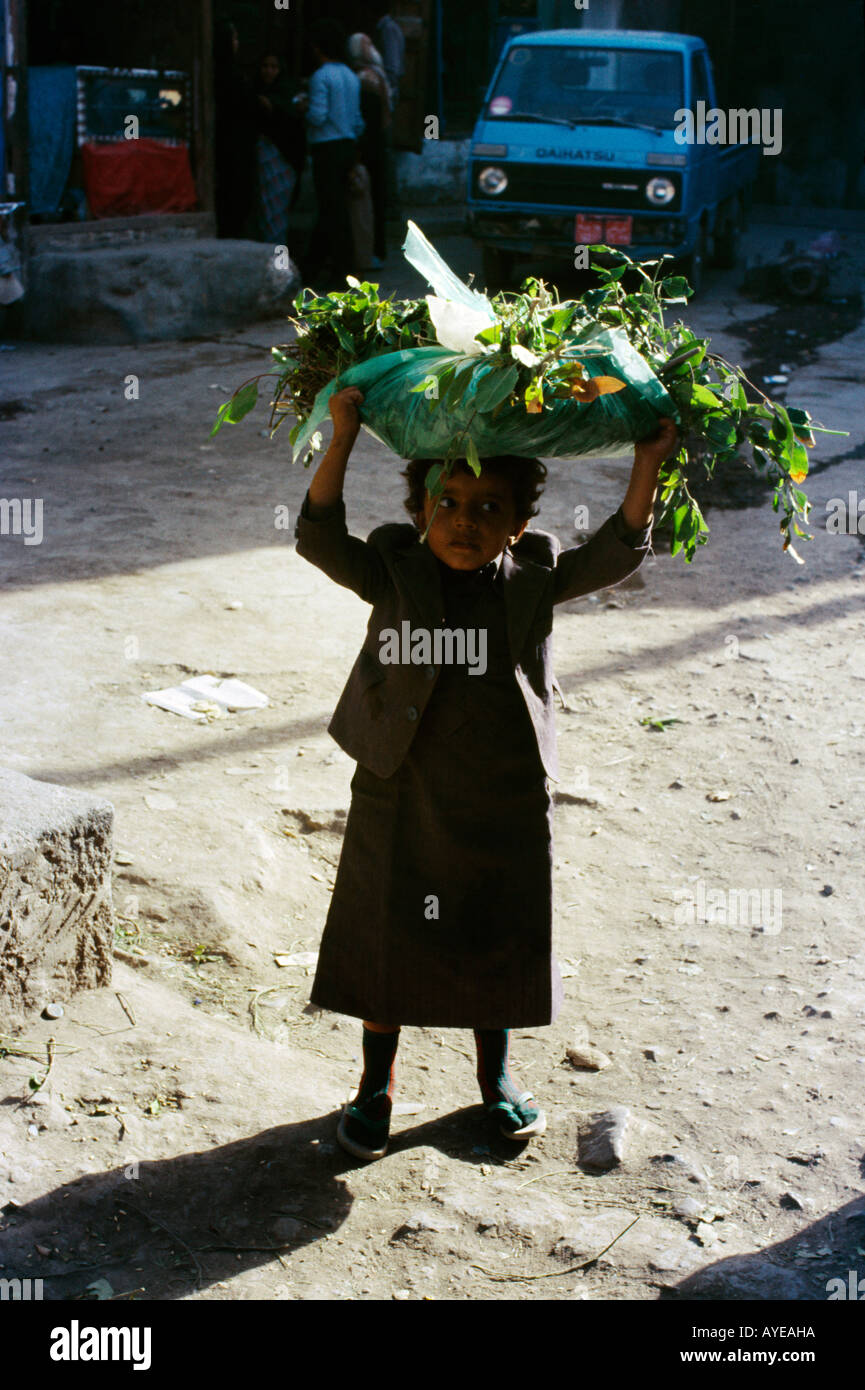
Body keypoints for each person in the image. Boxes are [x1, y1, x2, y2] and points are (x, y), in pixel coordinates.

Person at [294, 386, 679, 1161]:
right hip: (398, 786)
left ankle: (494, 1081)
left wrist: (647, 460)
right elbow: (317, 537)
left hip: (501, 793)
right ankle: (376, 1088)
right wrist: (340, 435)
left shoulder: (532, 578)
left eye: (488, 508)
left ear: (520, 525)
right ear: (419, 511)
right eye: (448, 503)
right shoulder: (394, 569)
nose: (464, 521)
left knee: (496, 935)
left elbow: (615, 548)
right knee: (386, 936)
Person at [297, 19, 364, 283]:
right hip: (347, 145)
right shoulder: (350, 76)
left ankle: (338, 270)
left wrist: (302, 106)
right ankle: (318, 267)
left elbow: (317, 116)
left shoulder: (321, 76)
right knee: (336, 209)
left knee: (331, 210)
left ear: (318, 49)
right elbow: (358, 120)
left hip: (327, 149)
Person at [253, 52, 307, 246]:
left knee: (277, 217)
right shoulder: (261, 90)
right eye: (265, 66)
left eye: (273, 67)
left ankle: (280, 266)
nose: (268, 71)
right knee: (267, 216)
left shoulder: (286, 94)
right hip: (266, 161)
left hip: (284, 162)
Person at [347, 32, 390, 267]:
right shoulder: (367, 76)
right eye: (367, 44)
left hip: (370, 147)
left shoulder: (368, 76)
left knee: (369, 201)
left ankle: (371, 252)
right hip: (373, 146)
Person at [214, 21, 259, 238]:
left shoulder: (229, 72)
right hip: (233, 144)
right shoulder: (229, 75)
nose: (237, 43)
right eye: (233, 38)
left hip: (233, 142)